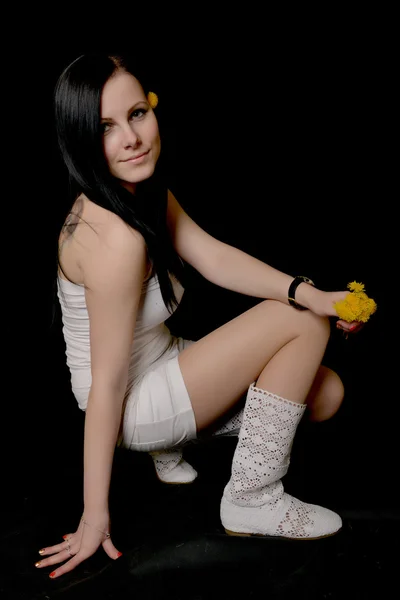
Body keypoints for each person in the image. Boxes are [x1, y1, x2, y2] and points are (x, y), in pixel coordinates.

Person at [36, 53, 364, 580]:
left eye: (137, 113)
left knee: (326, 396)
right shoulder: (111, 239)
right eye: (105, 128)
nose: (132, 138)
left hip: (160, 364)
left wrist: (310, 289)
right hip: (131, 401)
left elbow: (212, 257)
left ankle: (175, 443)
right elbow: (109, 383)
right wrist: (94, 515)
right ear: (79, 138)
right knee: (303, 324)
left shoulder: (137, 195)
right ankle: (252, 498)